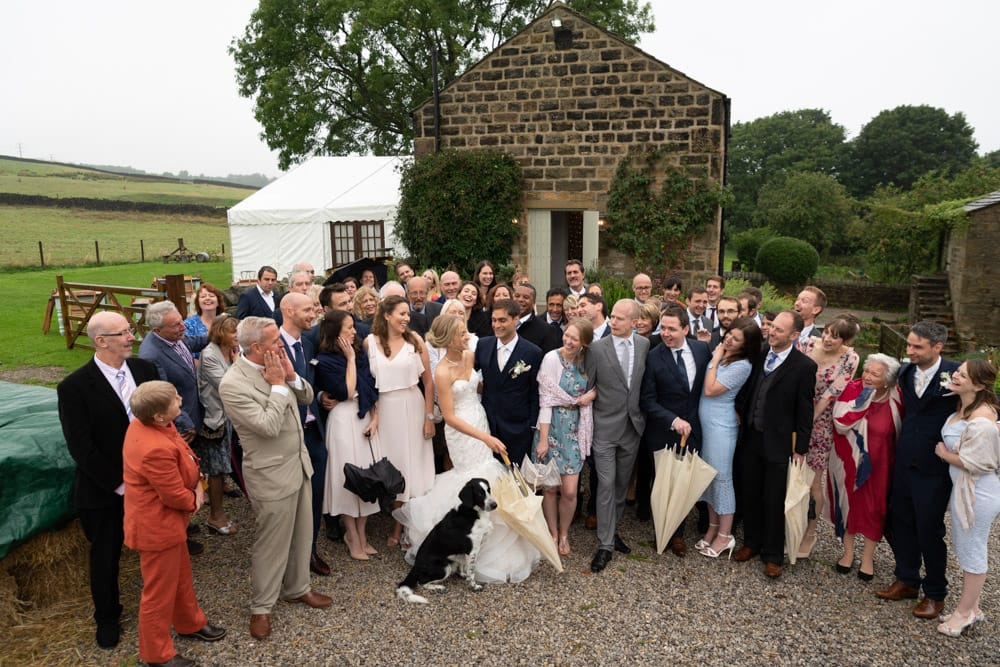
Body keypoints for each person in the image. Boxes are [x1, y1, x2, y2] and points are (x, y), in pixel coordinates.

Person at [395, 316, 542, 582]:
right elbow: (449, 417)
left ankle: (486, 546)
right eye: (462, 333)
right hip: (462, 430)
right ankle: (456, 541)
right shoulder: (442, 371)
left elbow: (480, 386)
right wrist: (485, 438)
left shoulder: (470, 356)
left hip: (479, 416)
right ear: (449, 337)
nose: (467, 336)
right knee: (470, 476)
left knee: (489, 476)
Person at [219, 317, 332, 640]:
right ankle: (261, 607)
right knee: (271, 544)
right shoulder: (233, 384)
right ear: (256, 348)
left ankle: (298, 588)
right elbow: (267, 426)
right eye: (275, 343)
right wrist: (279, 385)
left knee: (302, 533)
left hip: (299, 464)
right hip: (269, 474)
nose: (282, 347)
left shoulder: (280, 367)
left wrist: (292, 377)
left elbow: (307, 398)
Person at [57, 312, 159, 649]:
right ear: (101, 341)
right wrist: (122, 485)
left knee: (160, 546)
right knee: (105, 555)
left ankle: (165, 606)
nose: (132, 337)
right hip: (104, 490)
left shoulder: (145, 371)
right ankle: (107, 617)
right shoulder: (73, 387)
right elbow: (81, 448)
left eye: (130, 330)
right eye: (124, 333)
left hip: (151, 483)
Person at [123, 381, 226, 667]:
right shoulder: (152, 447)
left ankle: (189, 623)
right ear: (158, 415)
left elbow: (180, 452)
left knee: (180, 577)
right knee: (158, 593)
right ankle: (156, 655)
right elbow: (173, 495)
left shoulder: (154, 425)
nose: (180, 398)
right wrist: (196, 497)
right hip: (157, 528)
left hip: (168, 525)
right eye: (174, 399)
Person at [876, 321, 959, 619]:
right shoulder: (906, 371)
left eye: (917, 347)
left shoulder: (957, 372)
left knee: (929, 529)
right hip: (903, 459)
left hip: (934, 465)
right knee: (900, 521)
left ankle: (936, 593)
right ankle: (907, 578)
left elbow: (981, 404)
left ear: (937, 347)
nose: (909, 351)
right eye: (909, 345)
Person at [733, 310, 816, 579]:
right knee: (750, 493)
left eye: (779, 330)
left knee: (775, 498)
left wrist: (800, 448)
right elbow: (748, 390)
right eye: (772, 327)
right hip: (751, 437)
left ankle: (773, 554)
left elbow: (805, 411)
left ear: (794, 335)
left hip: (779, 443)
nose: (772, 332)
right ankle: (751, 543)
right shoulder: (760, 353)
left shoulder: (804, 367)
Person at [933, 360, 1000, 637]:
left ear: (980, 385)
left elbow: (981, 462)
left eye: (963, 375)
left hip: (978, 493)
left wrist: (945, 454)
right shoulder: (964, 405)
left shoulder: (982, 420)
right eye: (958, 371)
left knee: (972, 551)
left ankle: (964, 614)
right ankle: (971, 606)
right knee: (965, 546)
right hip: (964, 489)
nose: (956, 375)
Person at [639, 306, 711, 551]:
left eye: (672, 329)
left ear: (686, 329)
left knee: (685, 481)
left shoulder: (702, 351)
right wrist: (673, 420)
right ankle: (663, 528)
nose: (666, 334)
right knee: (663, 483)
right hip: (663, 430)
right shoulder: (653, 356)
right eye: (663, 328)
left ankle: (678, 533)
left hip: (694, 429)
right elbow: (647, 399)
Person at [139, 300, 208, 553]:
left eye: (181, 321)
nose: (183, 327)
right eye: (176, 324)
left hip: (191, 412)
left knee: (190, 475)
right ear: (158, 330)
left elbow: (192, 342)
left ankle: (187, 522)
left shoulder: (174, 338)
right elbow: (164, 395)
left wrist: (218, 331)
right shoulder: (151, 355)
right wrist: (184, 422)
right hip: (180, 424)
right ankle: (179, 534)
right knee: (177, 481)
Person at [367, 295, 436, 547]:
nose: (407, 318)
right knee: (389, 466)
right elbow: (367, 384)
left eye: (408, 314)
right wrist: (373, 415)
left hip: (411, 407)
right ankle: (388, 518)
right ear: (386, 315)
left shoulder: (416, 341)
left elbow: (428, 383)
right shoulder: (369, 343)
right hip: (384, 409)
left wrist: (429, 418)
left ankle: (402, 527)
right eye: (401, 314)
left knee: (411, 467)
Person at [313, 311, 381, 561]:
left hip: (363, 418)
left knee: (367, 477)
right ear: (335, 332)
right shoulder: (325, 360)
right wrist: (350, 359)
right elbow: (346, 390)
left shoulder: (360, 354)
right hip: (343, 420)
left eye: (354, 327)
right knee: (349, 477)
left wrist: (375, 418)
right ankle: (351, 534)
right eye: (349, 328)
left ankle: (363, 534)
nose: (354, 332)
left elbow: (371, 387)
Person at [587, 299, 649, 573]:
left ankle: (612, 531)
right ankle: (604, 545)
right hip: (604, 427)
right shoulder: (597, 348)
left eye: (620, 318)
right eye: (612, 316)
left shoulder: (645, 345)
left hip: (632, 428)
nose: (613, 321)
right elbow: (588, 386)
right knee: (606, 483)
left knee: (622, 485)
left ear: (635, 322)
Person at [828, 353, 902, 581]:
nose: (868, 377)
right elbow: (840, 422)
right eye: (867, 371)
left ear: (888, 380)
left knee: (875, 509)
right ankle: (848, 553)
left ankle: (868, 557)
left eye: (875, 374)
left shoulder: (897, 398)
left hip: (881, 464)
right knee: (847, 504)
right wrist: (864, 398)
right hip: (848, 461)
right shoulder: (853, 389)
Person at [796, 314, 860, 559]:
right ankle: (790, 524)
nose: (828, 339)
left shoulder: (850, 357)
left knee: (813, 479)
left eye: (835, 337)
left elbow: (830, 394)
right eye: (827, 333)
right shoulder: (808, 344)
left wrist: (807, 422)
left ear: (846, 340)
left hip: (820, 422)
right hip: (796, 411)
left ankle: (810, 533)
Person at [534, 318, 597, 556]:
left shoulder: (589, 360)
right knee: (550, 488)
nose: (568, 341)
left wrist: (590, 396)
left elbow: (598, 385)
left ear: (584, 343)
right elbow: (546, 400)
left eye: (575, 338)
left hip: (575, 427)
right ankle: (551, 532)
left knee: (570, 490)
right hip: (552, 426)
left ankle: (564, 532)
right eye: (567, 335)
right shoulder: (551, 358)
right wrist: (543, 438)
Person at [696, 318, 759, 559]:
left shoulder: (741, 365)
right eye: (729, 334)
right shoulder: (724, 355)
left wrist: (713, 358)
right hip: (707, 422)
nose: (729, 339)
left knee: (722, 479)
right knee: (709, 478)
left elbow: (711, 389)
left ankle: (725, 534)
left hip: (721, 427)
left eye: (736, 339)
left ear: (746, 345)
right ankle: (712, 528)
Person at [279, 292, 330, 576]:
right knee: (291, 499)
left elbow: (313, 382)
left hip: (315, 432)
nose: (314, 314)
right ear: (288, 310)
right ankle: (289, 559)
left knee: (316, 495)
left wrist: (320, 395)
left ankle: (310, 551)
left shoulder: (308, 343)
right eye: (308, 310)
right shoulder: (271, 345)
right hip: (289, 435)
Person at [475, 298, 543, 466]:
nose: (497, 325)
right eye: (494, 320)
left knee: (516, 478)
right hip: (487, 425)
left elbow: (535, 392)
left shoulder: (532, 352)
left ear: (516, 319)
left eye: (502, 320)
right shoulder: (483, 345)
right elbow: (469, 375)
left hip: (518, 428)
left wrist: (531, 426)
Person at [195, 314, 238, 535]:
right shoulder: (210, 354)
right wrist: (238, 364)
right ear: (221, 333)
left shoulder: (228, 352)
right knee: (216, 470)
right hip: (215, 421)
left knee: (224, 468)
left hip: (228, 418)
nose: (237, 336)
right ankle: (215, 517)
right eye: (233, 332)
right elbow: (227, 385)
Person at [513, 282, 561, 353]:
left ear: (534, 302)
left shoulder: (546, 330)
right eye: (517, 296)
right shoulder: (502, 323)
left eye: (526, 297)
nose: (520, 300)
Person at [183, 282, 226, 353]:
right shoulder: (188, 325)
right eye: (203, 296)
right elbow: (186, 350)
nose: (207, 298)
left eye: (211, 296)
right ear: (198, 303)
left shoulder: (226, 322)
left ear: (218, 301)